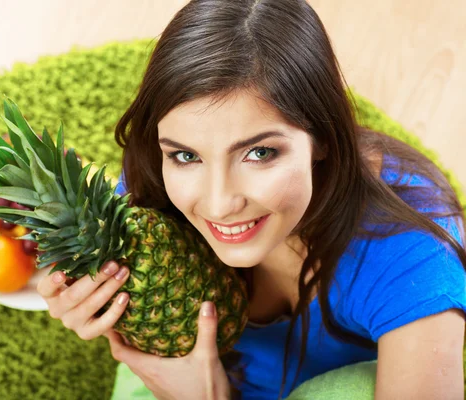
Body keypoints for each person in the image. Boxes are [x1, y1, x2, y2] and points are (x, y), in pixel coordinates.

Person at [36, 0, 466, 398]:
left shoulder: (413, 258)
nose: (219, 204)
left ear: (322, 138)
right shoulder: (152, 190)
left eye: (259, 153)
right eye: (186, 155)